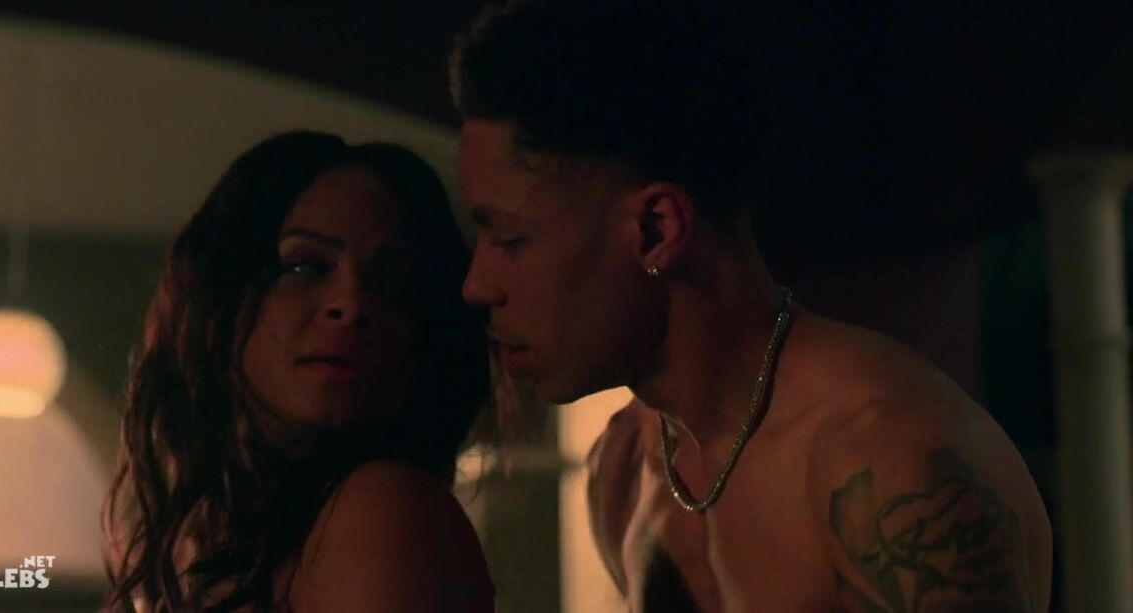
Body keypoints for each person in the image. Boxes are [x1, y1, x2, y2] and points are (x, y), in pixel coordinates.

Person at [450, 1, 1052, 611]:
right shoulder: (624, 469)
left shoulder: (890, 464)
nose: (477, 286)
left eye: (510, 240)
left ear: (656, 230)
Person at [102, 131, 494, 612]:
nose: (351, 304)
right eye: (306, 267)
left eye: (394, 282)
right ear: (222, 298)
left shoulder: (378, 508)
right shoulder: (222, 533)